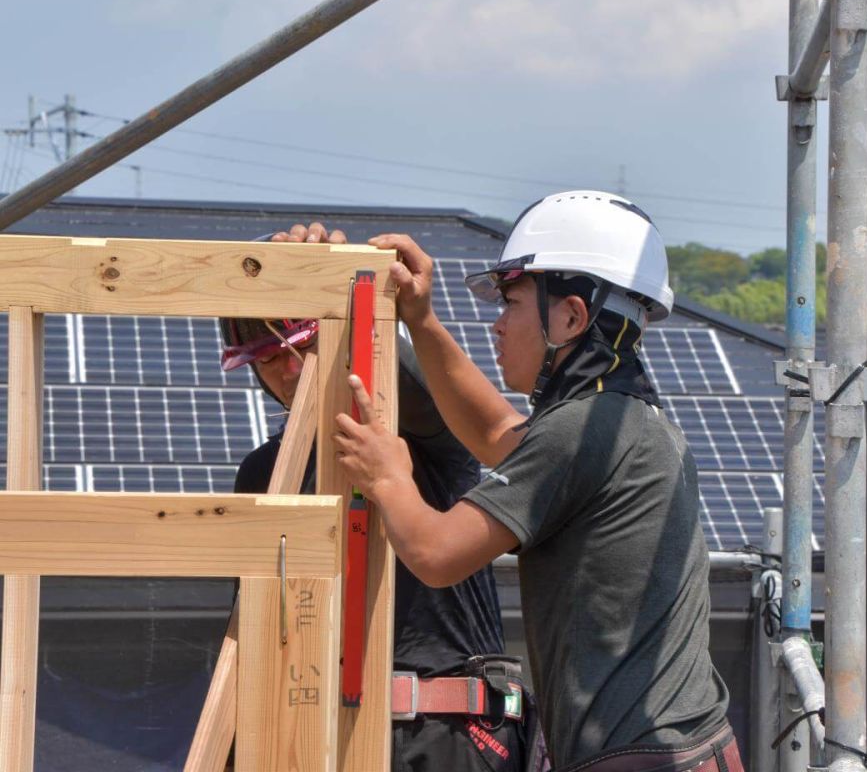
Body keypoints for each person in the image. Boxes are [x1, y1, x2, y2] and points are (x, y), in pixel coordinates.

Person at [333, 194, 743, 771]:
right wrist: (421, 321)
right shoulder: (624, 422)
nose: (497, 324)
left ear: (571, 316)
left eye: (513, 303)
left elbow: (435, 552)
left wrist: (388, 475)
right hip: (675, 751)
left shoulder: (582, 430)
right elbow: (497, 431)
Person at [221, 223, 534, 772]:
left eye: (304, 343)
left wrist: (342, 284)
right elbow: (256, 633)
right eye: (269, 357)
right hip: (323, 735)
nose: (290, 370)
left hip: (450, 734)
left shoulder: (417, 433)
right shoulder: (264, 472)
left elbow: (416, 381)